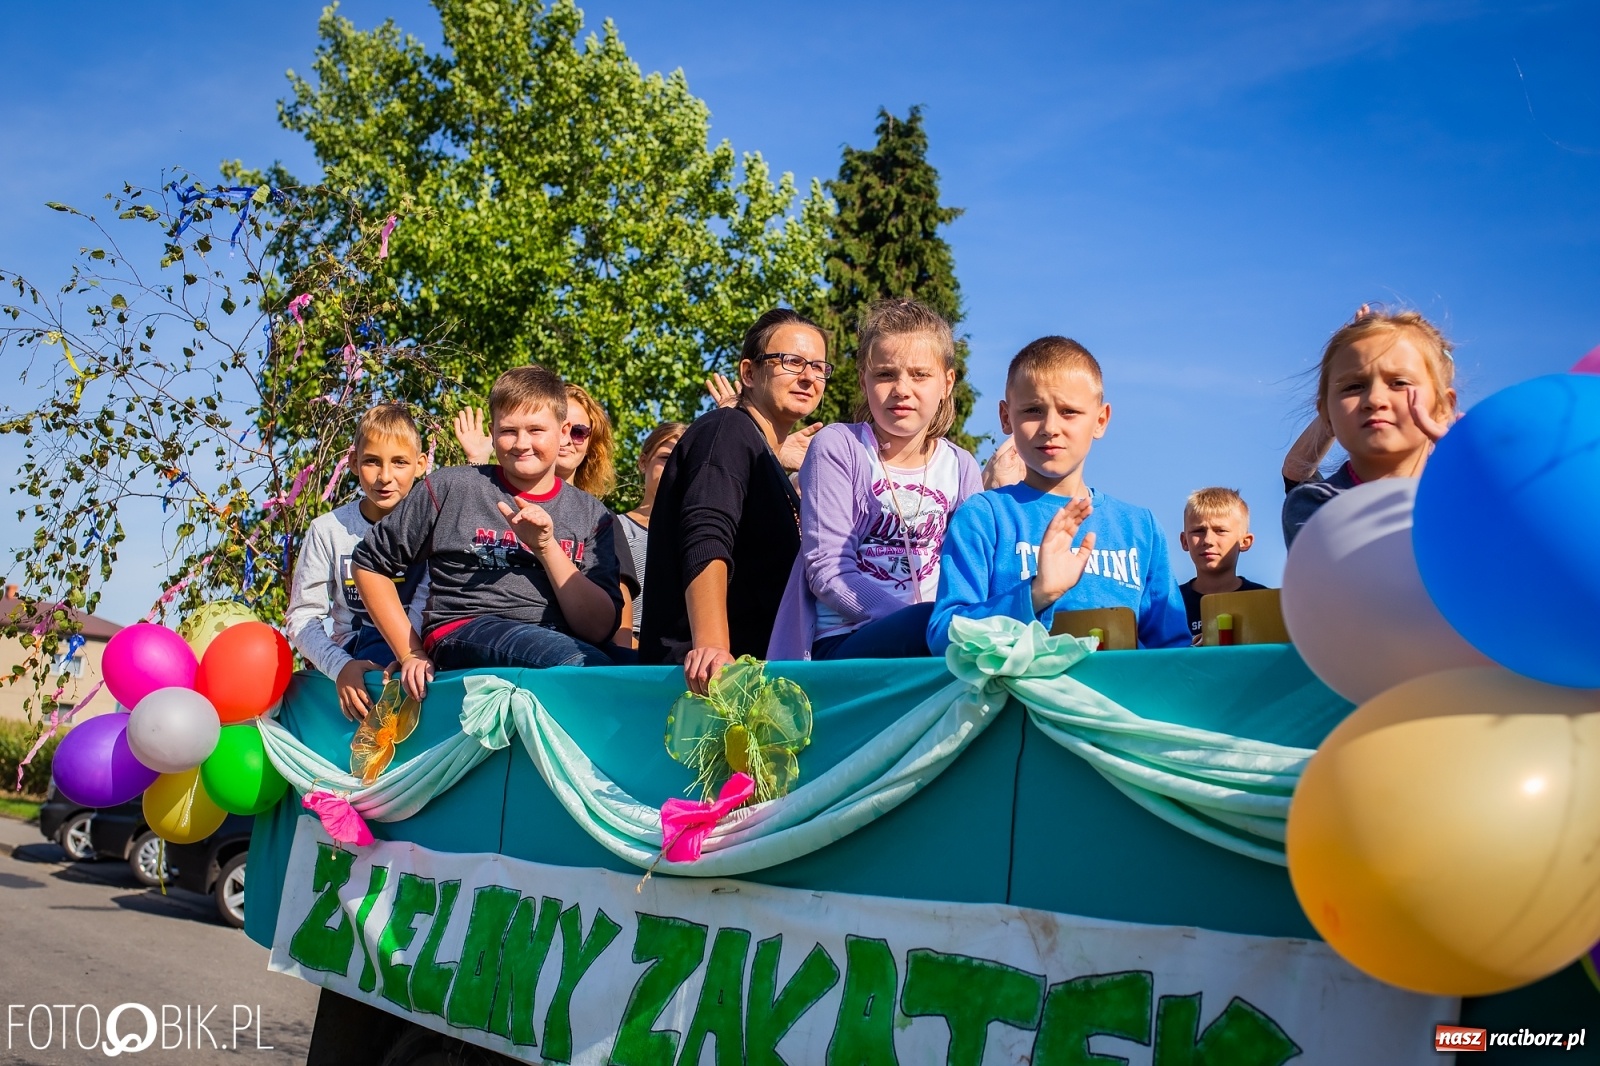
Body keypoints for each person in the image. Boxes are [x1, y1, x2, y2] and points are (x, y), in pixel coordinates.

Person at [354, 365, 624, 700]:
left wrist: (546, 547)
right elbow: (368, 563)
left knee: (646, 674)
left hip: (565, 641)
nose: (522, 443)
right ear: (492, 431)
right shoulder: (453, 486)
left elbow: (598, 628)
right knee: (581, 666)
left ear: (564, 430)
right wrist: (409, 652)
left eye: (536, 430)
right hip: (466, 628)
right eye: (509, 430)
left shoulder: (592, 514)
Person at [927, 336, 1189, 653]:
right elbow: (944, 635)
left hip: (1120, 700)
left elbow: (1173, 649)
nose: (1050, 426)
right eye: (1033, 410)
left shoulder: (1139, 528)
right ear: (1006, 417)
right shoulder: (984, 517)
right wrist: (1037, 594)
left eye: (1069, 411)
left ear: (1101, 420)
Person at [768, 298, 981, 660]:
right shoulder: (839, 447)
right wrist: (921, 621)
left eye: (919, 374)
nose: (901, 388)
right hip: (845, 639)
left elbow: (969, 572)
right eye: (885, 374)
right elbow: (827, 569)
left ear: (947, 383)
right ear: (864, 380)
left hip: (933, 636)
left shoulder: (962, 467)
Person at [639, 309, 830, 692]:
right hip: (707, 685)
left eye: (819, 367)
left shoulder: (759, 453)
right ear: (748, 373)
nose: (808, 377)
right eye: (791, 362)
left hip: (754, 679)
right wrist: (712, 647)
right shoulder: (727, 429)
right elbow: (706, 534)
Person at [453, 382, 639, 650]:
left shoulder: (599, 519)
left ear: (590, 442)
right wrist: (478, 464)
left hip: (578, 656)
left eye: (578, 431)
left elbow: (618, 626)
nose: (565, 439)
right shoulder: (477, 488)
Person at [286, 403, 432, 720]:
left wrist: (411, 655)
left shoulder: (432, 528)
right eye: (371, 462)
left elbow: (425, 599)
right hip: (357, 654)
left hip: (417, 647)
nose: (385, 476)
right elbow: (302, 616)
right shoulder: (327, 530)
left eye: (399, 462)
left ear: (420, 464)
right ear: (353, 462)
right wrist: (341, 667)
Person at [1282, 309, 1457, 547]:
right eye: (1354, 386)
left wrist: (1463, 465)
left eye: (1399, 383)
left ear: (1444, 406)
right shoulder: (1316, 504)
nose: (1374, 399)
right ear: (1326, 414)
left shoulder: (1472, 491)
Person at [617, 421, 687, 648]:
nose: (675, 468)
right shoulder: (616, 527)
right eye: (666, 458)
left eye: (686, 461)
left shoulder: (701, 533)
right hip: (633, 654)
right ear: (643, 462)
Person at [1176, 487, 1267, 645]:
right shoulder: (1169, 605)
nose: (1208, 540)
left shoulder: (1265, 602)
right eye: (1198, 531)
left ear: (1245, 541)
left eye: (1220, 531)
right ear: (1185, 541)